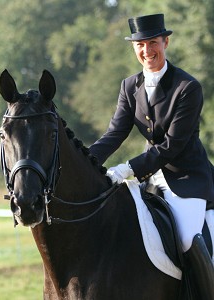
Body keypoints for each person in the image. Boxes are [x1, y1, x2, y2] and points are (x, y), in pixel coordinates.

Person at [89, 13, 214, 299]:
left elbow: (172, 145)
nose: (147, 51)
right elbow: (114, 134)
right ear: (134, 47)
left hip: (187, 177)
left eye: (153, 43)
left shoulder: (187, 87)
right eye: (140, 45)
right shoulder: (129, 86)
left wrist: (126, 169)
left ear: (166, 42)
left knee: (186, 238)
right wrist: (85, 159)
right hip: (151, 178)